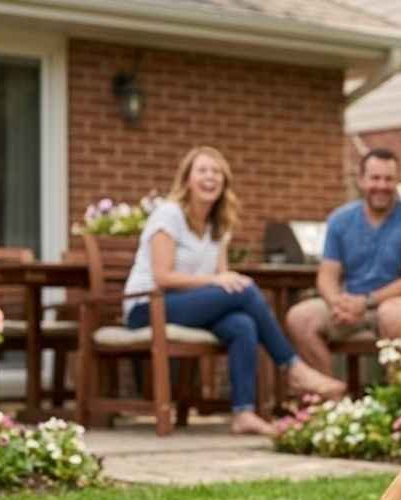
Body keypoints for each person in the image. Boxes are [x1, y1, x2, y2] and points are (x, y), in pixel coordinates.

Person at [122, 146, 345, 436]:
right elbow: (163, 277)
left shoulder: (218, 225)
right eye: (202, 170)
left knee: (242, 323)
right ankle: (293, 368)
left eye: (217, 172)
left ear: (224, 182)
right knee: (246, 289)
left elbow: (222, 277)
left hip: (188, 305)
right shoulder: (169, 214)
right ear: (187, 179)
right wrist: (218, 282)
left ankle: (244, 413)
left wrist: (221, 281)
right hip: (147, 306)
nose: (210, 177)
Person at [286, 148, 401, 376]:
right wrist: (337, 303)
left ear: (397, 182)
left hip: (398, 302)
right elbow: (327, 275)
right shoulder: (340, 219)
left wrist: (365, 302)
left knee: (392, 315)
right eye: (375, 178)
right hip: (350, 305)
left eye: (389, 179)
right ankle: (332, 402)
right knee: (300, 318)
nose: (382, 185)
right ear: (361, 180)